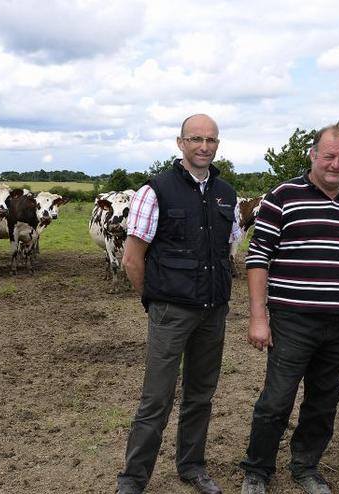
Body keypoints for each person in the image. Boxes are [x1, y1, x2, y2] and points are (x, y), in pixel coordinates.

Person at [240, 120, 339, 494]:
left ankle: (305, 467)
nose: (336, 164)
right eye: (329, 155)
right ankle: (257, 470)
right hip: (292, 319)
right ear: (313, 155)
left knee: (324, 399)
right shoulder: (283, 196)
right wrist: (258, 317)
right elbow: (257, 257)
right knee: (277, 399)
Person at [116, 114, 242, 494]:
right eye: (196, 139)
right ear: (180, 143)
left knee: (201, 394)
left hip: (213, 312)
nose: (204, 146)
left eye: (211, 140)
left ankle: (192, 466)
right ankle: (133, 479)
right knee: (156, 398)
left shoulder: (227, 193)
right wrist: (153, 301)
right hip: (170, 311)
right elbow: (132, 258)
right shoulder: (154, 191)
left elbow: (230, 248)